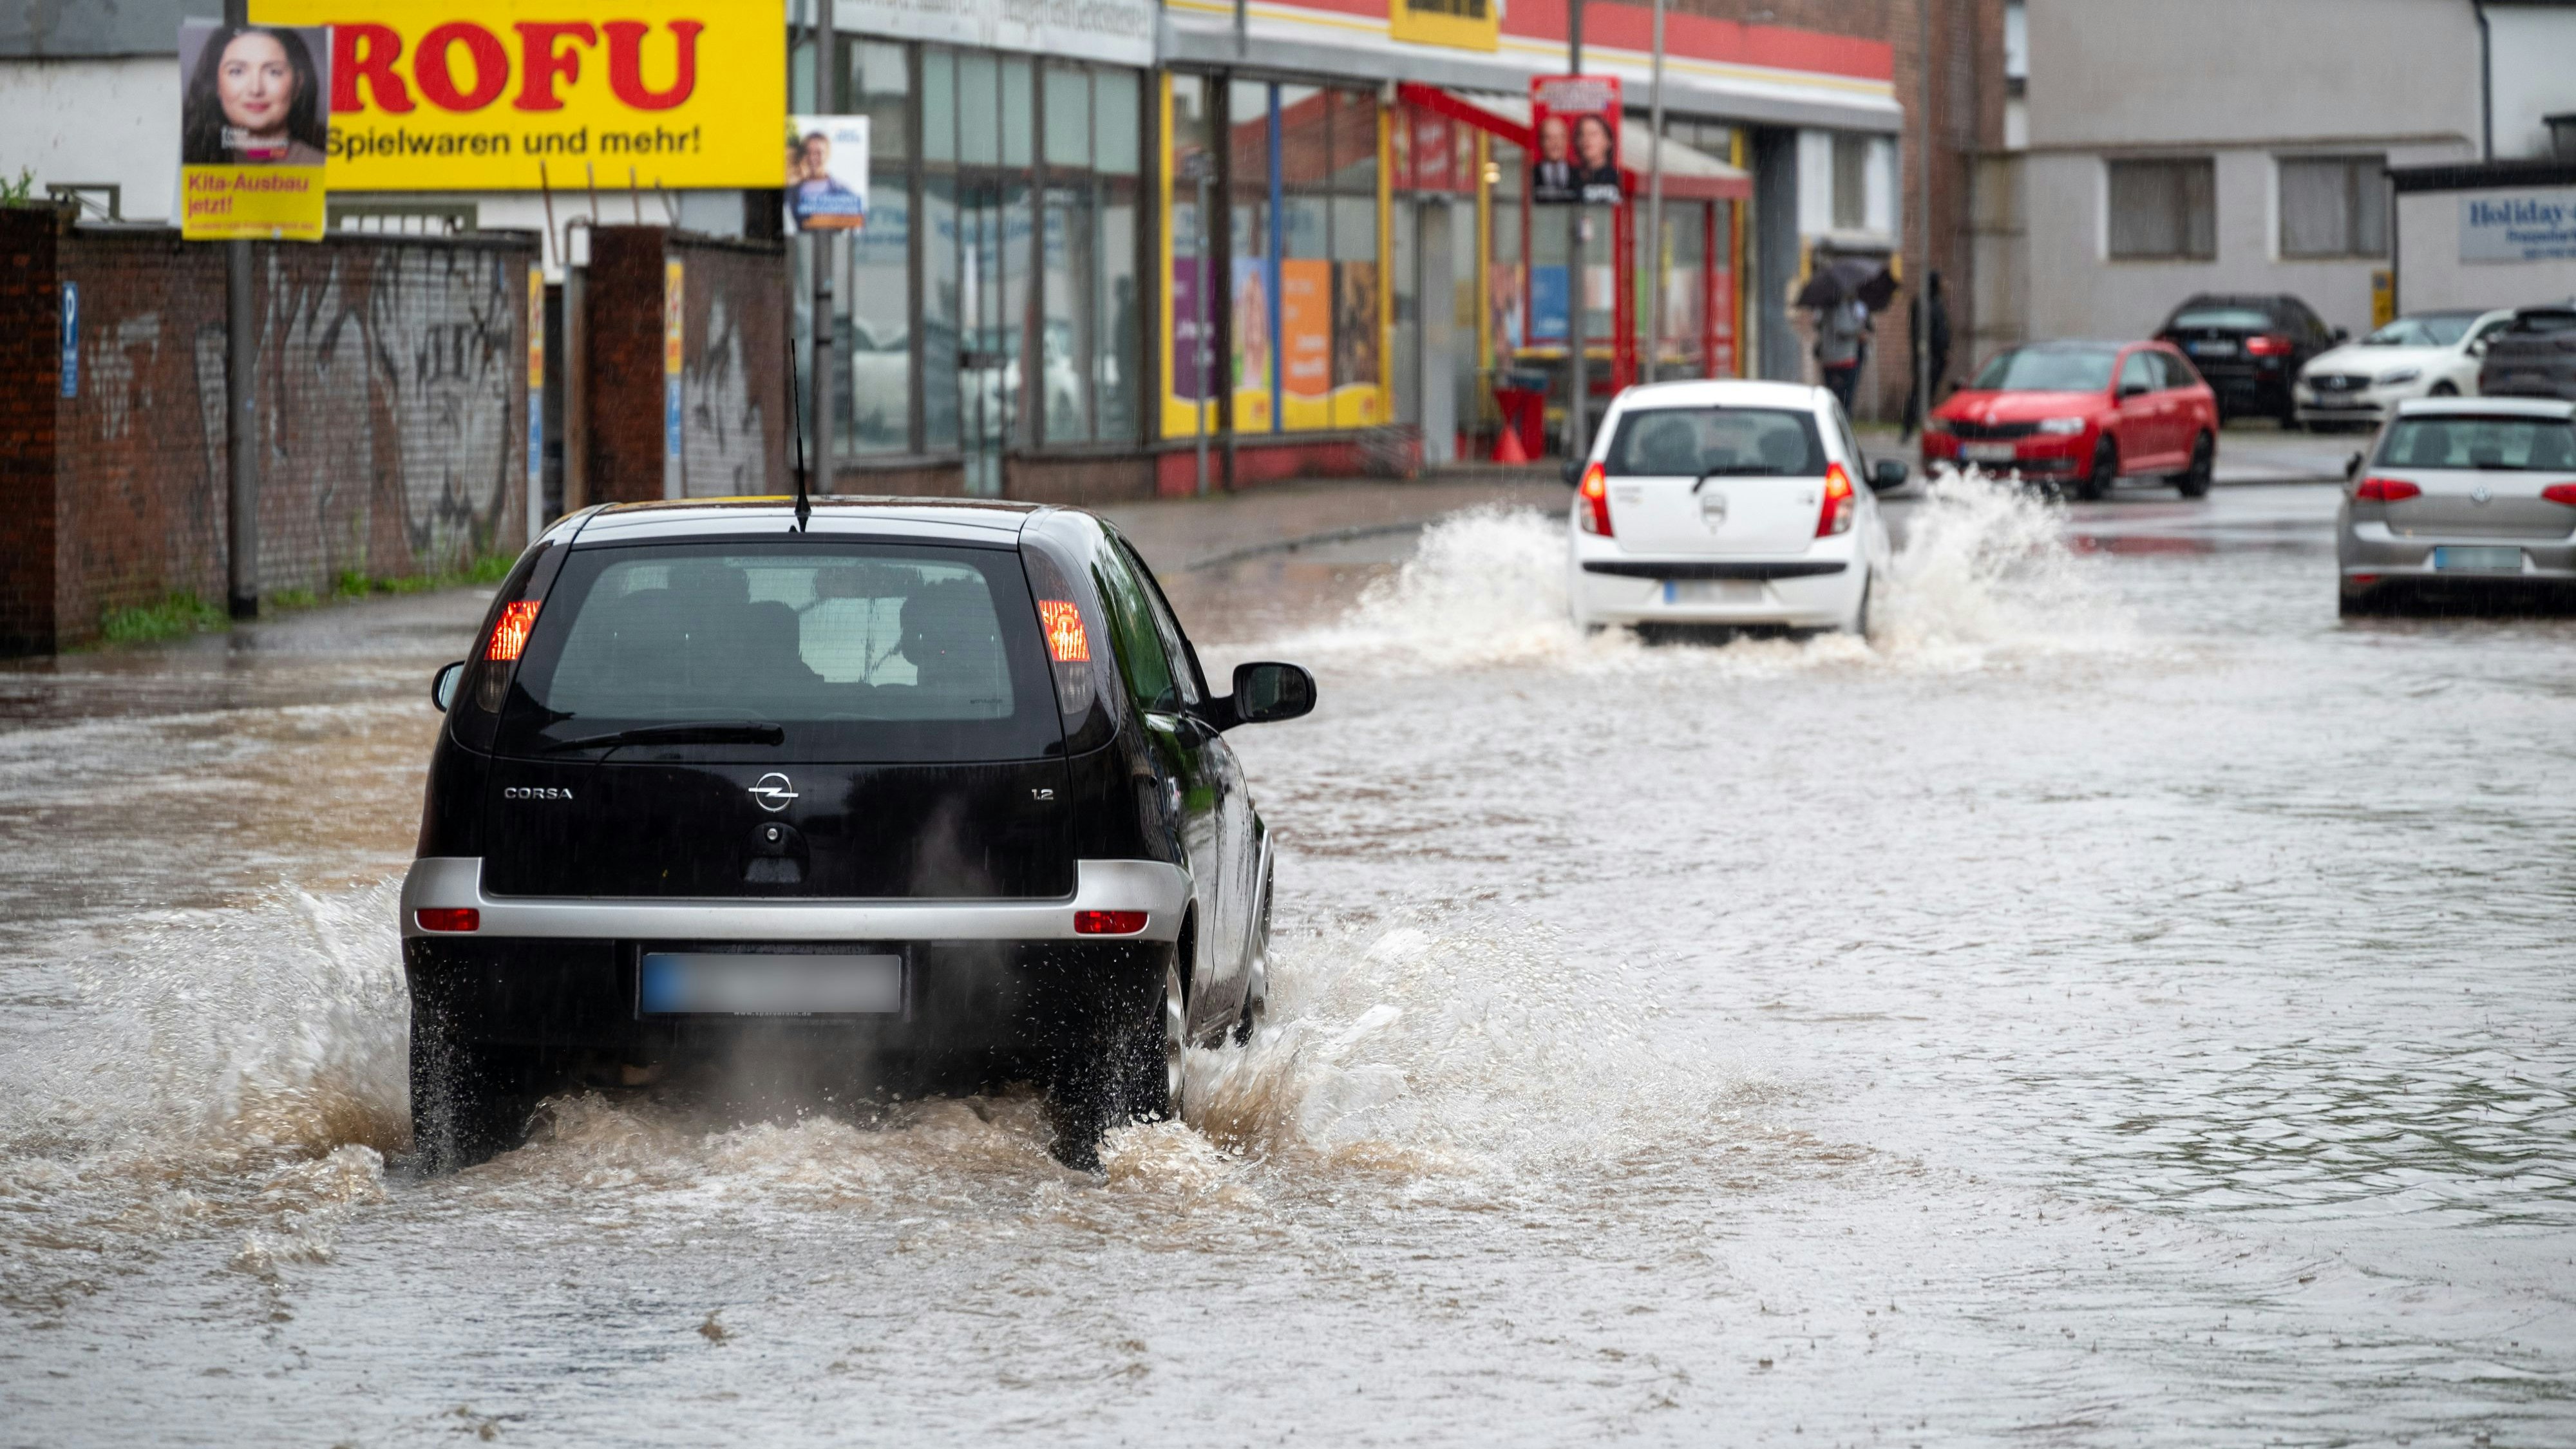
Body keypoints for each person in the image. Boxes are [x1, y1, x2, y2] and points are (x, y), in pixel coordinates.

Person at [180, 25, 327, 166]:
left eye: (274, 72)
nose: (256, 89)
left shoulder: (322, 164)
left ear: (298, 85)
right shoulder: (188, 160)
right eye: (237, 71)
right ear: (216, 83)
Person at [1900, 270, 1953, 441]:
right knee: (1920, 392)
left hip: (1937, 358)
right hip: (1928, 357)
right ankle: (1909, 426)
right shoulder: (1924, 303)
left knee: (1928, 392)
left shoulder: (1936, 302)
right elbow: (1924, 332)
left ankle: (1920, 423)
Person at [788, 132, 865, 228]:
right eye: (808, 152)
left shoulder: (843, 192)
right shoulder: (790, 191)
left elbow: (858, 220)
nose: (813, 158)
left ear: (828, 155)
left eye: (819, 153)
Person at [1815, 294, 1870, 415]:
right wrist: (1859, 329)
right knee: (1845, 398)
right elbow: (1842, 327)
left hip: (1830, 358)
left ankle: (1835, 422)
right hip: (1844, 358)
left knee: (1834, 396)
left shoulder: (1824, 306)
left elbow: (1818, 323)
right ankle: (1841, 425)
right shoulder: (1841, 305)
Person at [1572, 113, 1622, 204]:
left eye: (1593, 134)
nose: (1586, 139)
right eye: (1582, 134)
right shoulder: (1569, 178)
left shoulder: (1619, 179)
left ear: (1608, 141)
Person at [1532, 115, 1576, 203]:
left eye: (1560, 137)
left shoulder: (1580, 174)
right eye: (1549, 138)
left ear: (1567, 141)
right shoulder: (1531, 174)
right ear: (1541, 142)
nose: (1555, 143)